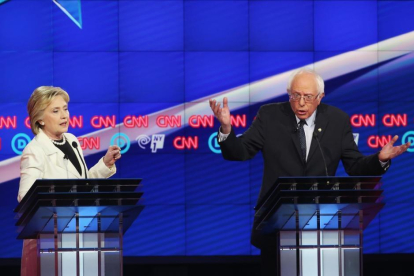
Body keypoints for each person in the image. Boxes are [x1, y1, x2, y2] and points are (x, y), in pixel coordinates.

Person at [209, 68, 411, 275]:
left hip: (323, 224)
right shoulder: (269, 116)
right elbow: (240, 152)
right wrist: (226, 129)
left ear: (320, 97)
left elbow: (355, 166)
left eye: (308, 96)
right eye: (295, 96)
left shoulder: (337, 120)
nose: (301, 103)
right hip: (276, 224)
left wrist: (380, 159)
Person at [18, 86, 122, 276]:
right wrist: (59, 204)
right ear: (39, 119)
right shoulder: (34, 150)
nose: (64, 115)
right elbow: (25, 197)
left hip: (78, 235)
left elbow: (81, 187)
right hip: (49, 240)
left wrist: (104, 165)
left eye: (65, 108)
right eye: (55, 111)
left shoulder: (72, 140)